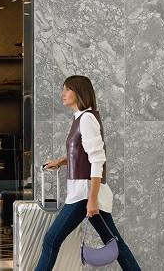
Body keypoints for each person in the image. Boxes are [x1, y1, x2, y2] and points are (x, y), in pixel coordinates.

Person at [35, 75, 141, 271]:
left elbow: (97, 159)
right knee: (114, 241)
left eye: (67, 89)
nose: (63, 93)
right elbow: (83, 152)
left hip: (84, 194)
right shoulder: (79, 118)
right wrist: (61, 161)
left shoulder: (87, 118)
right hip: (83, 192)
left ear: (79, 92)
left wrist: (92, 199)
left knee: (51, 240)